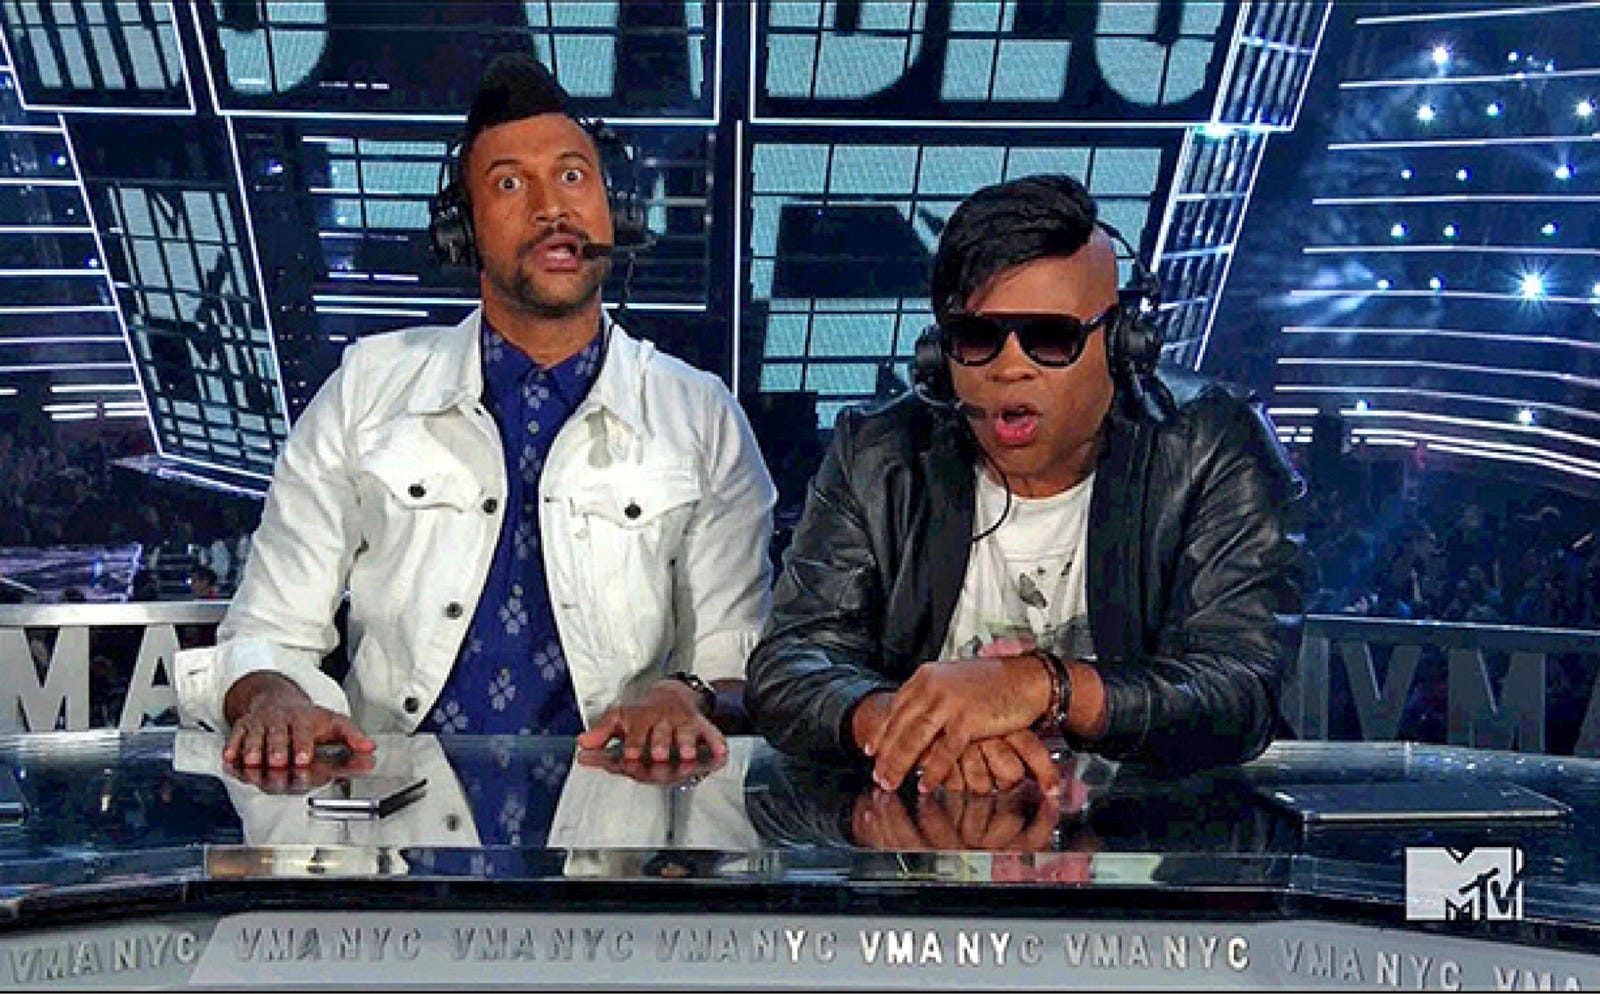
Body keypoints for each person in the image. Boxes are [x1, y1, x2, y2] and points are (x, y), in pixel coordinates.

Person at [175, 53, 775, 770]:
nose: (552, 208)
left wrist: (685, 696)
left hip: (620, 812)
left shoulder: (701, 415)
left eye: (573, 176)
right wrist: (275, 696)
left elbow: (735, 653)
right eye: (510, 183)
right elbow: (270, 628)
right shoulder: (366, 389)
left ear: (616, 210)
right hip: (395, 809)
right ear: (461, 230)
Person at [745, 174, 1302, 794]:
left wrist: (1045, 687)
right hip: (926, 831)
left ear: (1122, 344)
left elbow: (1240, 686)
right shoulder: (878, 455)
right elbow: (791, 663)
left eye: (1051, 338)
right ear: (939, 353)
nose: (1011, 367)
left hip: (1151, 832)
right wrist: (908, 726)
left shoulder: (1211, 446)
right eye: (977, 338)